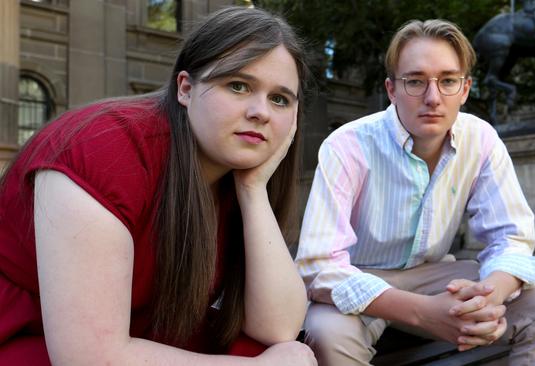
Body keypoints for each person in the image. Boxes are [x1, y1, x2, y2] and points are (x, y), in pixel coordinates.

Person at [0, 6, 316, 366]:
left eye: (280, 99)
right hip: (31, 338)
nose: (261, 111)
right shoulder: (104, 149)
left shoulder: (238, 172)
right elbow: (87, 358)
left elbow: (277, 327)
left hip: (145, 334)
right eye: (238, 85)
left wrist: (253, 190)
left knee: (284, 351)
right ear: (185, 88)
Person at [296, 18, 535, 366]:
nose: (433, 98)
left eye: (447, 81)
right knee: (326, 335)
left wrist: (488, 298)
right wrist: (423, 313)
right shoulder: (347, 145)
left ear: (465, 88)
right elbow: (318, 264)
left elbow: (512, 237)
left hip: (437, 276)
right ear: (391, 89)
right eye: (415, 81)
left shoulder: (482, 139)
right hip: (361, 278)